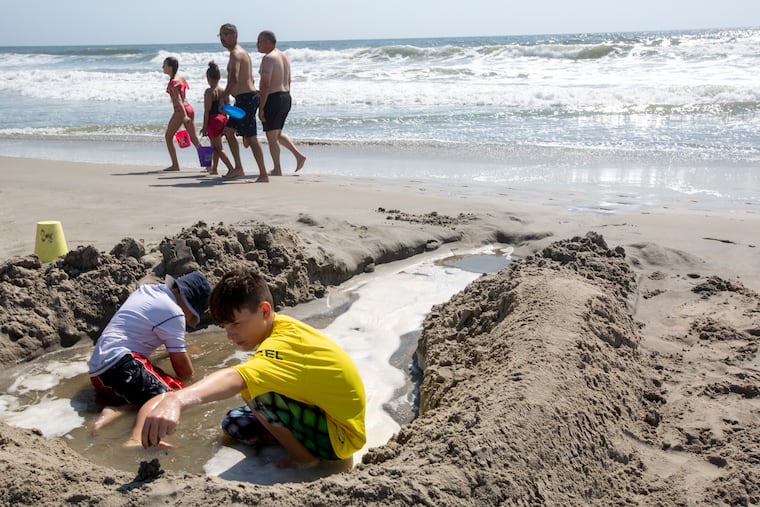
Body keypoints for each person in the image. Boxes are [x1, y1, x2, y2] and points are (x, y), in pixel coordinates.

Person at [132, 268, 367, 469]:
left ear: (264, 311)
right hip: (322, 412)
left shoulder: (281, 345)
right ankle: (297, 444)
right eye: (225, 325)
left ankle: (304, 460)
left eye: (236, 323)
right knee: (234, 424)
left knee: (257, 393)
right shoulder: (280, 326)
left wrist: (177, 399)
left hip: (341, 436)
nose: (230, 334)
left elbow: (236, 377)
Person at [88, 271, 212, 431]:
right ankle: (117, 410)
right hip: (120, 367)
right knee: (176, 396)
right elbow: (182, 368)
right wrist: (192, 382)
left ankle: (125, 403)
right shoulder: (174, 312)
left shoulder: (147, 291)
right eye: (192, 315)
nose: (189, 319)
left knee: (144, 388)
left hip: (98, 372)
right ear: (188, 303)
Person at [217, 23, 268, 182]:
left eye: (225, 34)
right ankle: (239, 168)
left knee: (250, 137)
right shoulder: (242, 53)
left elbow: (234, 79)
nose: (222, 38)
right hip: (245, 98)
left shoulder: (236, 54)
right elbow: (249, 78)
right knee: (229, 131)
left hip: (246, 99)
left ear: (235, 35)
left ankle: (262, 174)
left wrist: (223, 97)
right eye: (220, 35)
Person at [256, 30, 307, 175]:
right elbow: (289, 80)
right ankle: (299, 156)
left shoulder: (268, 58)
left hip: (274, 97)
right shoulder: (284, 57)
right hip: (286, 96)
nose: (257, 45)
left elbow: (265, 85)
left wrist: (261, 107)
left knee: (271, 136)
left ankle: (277, 168)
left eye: (259, 41)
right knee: (276, 133)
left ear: (268, 42)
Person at [162, 56, 202, 172]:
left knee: (168, 137)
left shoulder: (173, 82)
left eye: (164, 65)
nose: (162, 67)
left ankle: (175, 165)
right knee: (194, 139)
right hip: (189, 108)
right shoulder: (181, 78)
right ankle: (208, 165)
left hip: (181, 111)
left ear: (170, 67)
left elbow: (179, 100)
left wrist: (184, 115)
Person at [200, 61, 236, 176]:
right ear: (219, 77)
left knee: (218, 147)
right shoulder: (223, 91)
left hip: (213, 120)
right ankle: (214, 169)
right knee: (215, 146)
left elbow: (207, 111)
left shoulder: (209, 92)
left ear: (208, 78)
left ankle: (231, 168)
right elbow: (228, 107)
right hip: (223, 119)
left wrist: (204, 126)